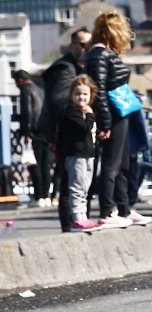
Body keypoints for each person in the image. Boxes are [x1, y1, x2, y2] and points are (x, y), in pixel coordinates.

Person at [85, 10, 139, 229]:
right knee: (112, 164)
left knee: (122, 163)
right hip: (113, 114)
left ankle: (124, 209)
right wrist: (105, 122)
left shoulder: (102, 53)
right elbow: (98, 89)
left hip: (119, 113)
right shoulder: (100, 54)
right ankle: (107, 211)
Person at [42, 28, 91, 231]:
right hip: (66, 137)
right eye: (82, 44)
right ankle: (69, 224)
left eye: (89, 44)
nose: (86, 48)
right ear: (72, 46)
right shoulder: (64, 68)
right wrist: (83, 114)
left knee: (80, 181)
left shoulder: (78, 68)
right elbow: (59, 102)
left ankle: (79, 220)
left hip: (76, 135)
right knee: (67, 181)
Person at [58, 75, 101, 233]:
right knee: (76, 187)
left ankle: (83, 216)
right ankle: (77, 218)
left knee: (85, 188)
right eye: (77, 94)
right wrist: (90, 115)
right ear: (71, 95)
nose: (81, 97)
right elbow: (84, 129)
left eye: (85, 94)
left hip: (88, 155)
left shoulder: (82, 112)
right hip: (76, 155)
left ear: (91, 95)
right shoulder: (72, 112)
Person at [15, 70, 49, 207]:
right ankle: (46, 196)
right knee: (45, 165)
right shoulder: (40, 89)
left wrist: (26, 133)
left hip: (34, 132)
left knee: (34, 164)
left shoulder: (25, 90)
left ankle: (39, 196)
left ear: (20, 80)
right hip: (45, 131)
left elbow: (27, 112)